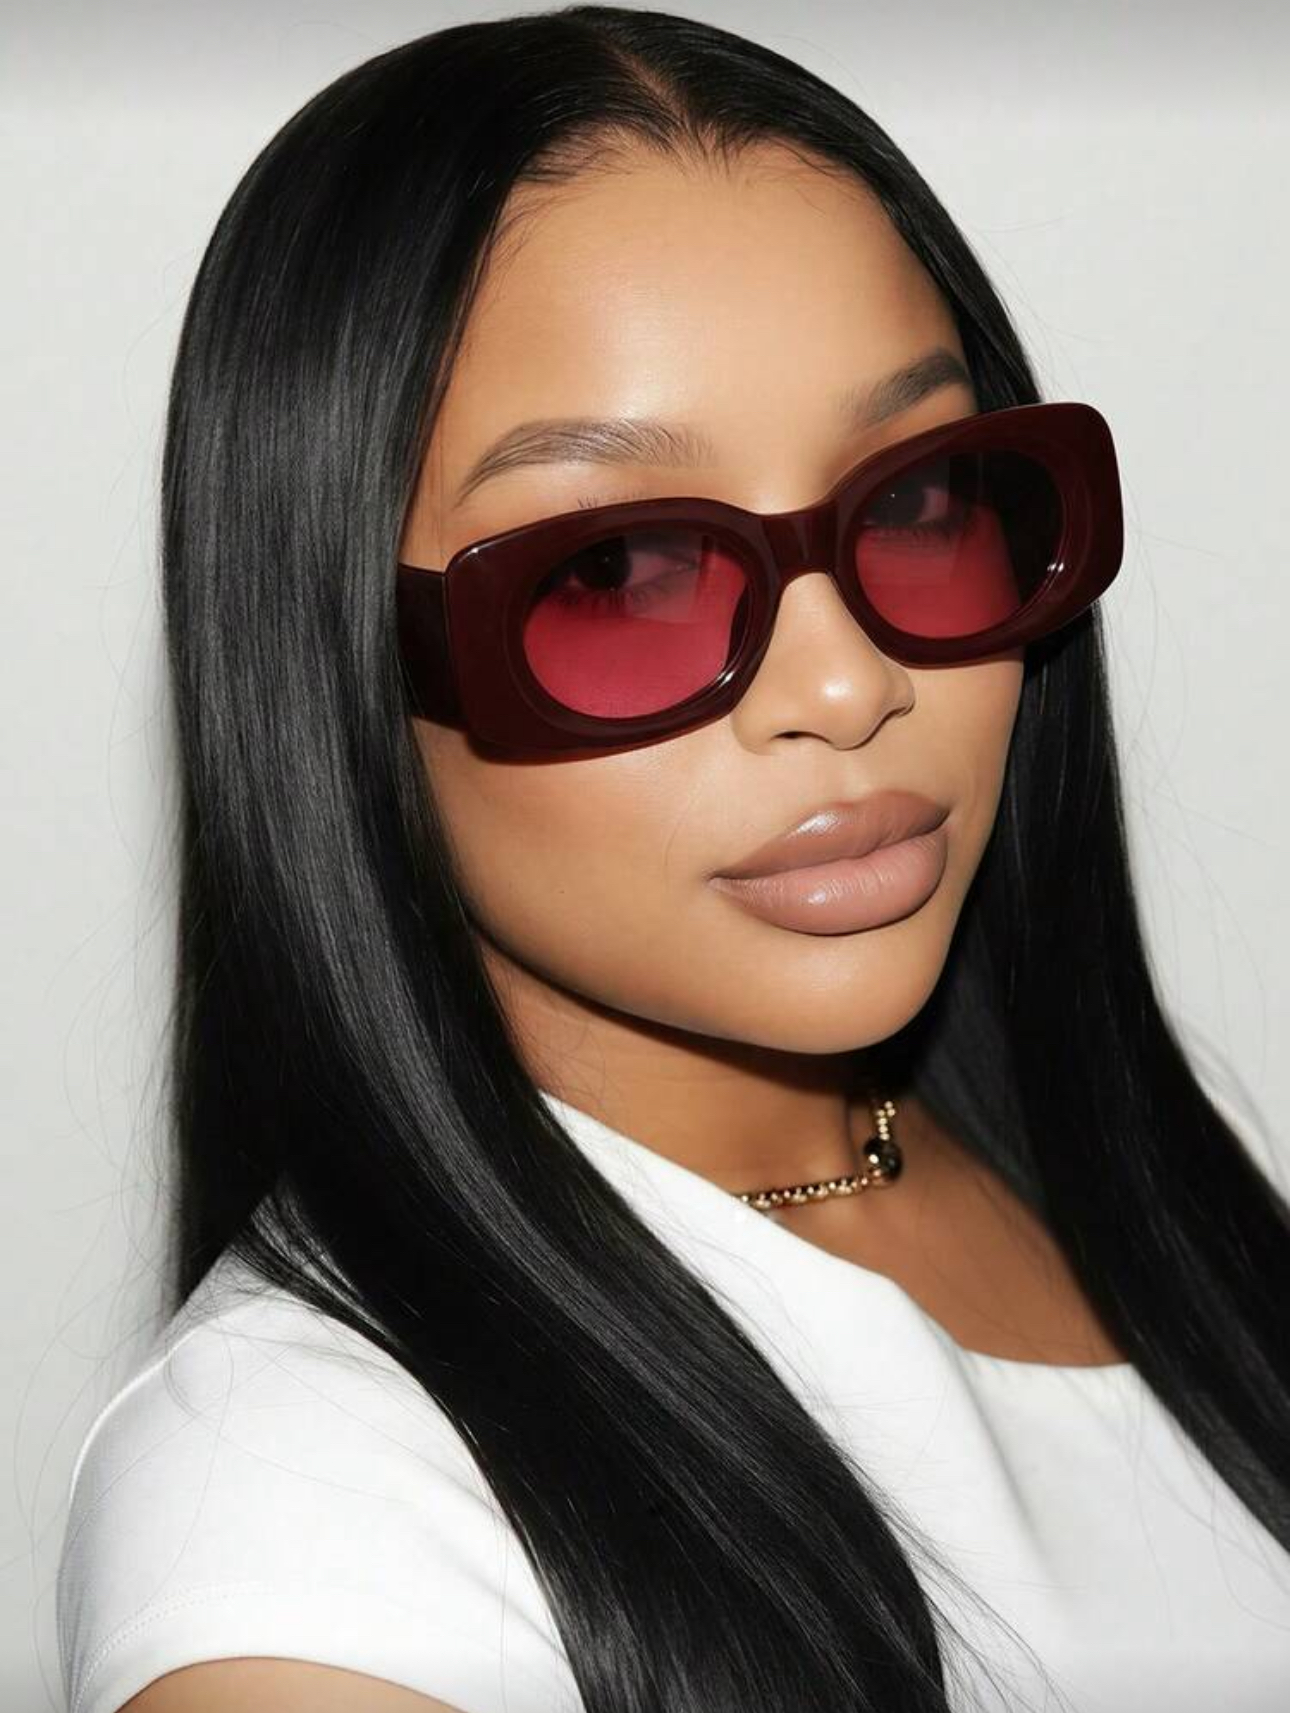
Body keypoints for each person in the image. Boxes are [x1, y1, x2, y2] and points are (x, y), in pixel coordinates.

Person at [55, 7, 1290, 1712]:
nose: (848, 684)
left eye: (917, 505)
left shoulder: (1127, 1156)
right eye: (617, 574)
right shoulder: (304, 1539)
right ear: (333, 664)